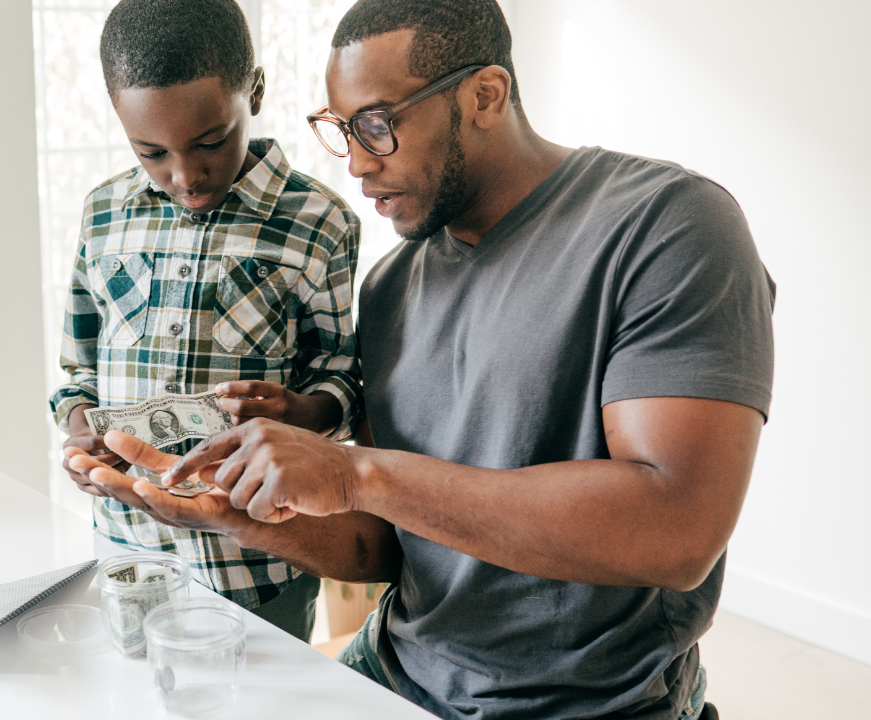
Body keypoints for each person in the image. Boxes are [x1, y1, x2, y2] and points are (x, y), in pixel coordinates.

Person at [65, 1, 775, 718]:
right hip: (396, 670)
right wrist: (230, 514)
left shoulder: (666, 225)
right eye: (342, 130)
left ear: (485, 96)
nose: (358, 162)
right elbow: (384, 548)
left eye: (378, 124)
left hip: (589, 703)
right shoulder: (390, 287)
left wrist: (353, 472)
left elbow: (675, 532)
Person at [50, 0, 362, 642]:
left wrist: (302, 412)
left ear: (254, 90)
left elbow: (346, 380)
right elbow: (79, 364)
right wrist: (81, 428)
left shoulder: (319, 223)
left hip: (257, 566)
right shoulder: (103, 215)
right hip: (127, 550)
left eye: (210, 142)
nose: (186, 176)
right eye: (151, 152)